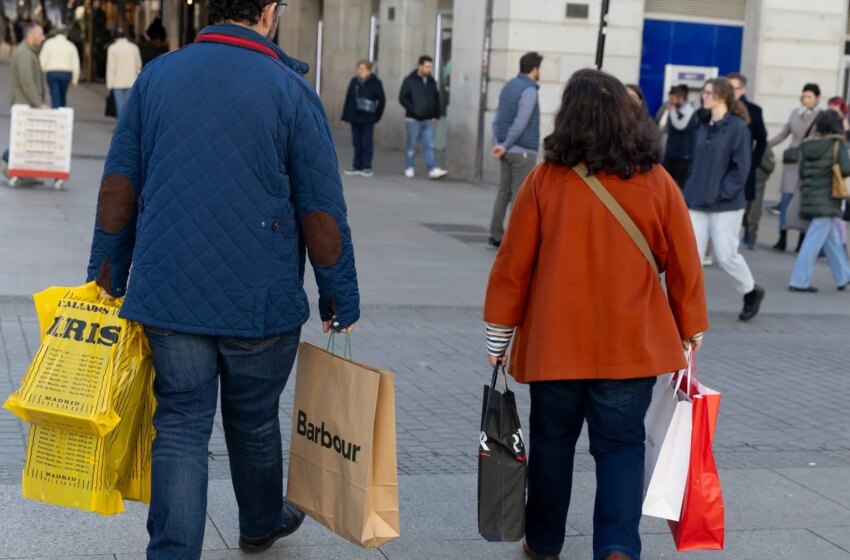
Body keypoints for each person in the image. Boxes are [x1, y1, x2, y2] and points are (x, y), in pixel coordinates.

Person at [85, 0, 360, 557]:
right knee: (255, 420)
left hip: (168, 291)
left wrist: (107, 274)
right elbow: (321, 209)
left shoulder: (157, 76)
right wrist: (338, 292)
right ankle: (260, 523)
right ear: (267, 12)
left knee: (181, 423)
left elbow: (119, 186)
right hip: (258, 297)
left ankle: (172, 550)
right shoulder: (291, 91)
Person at [484, 69, 708, 560]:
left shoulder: (546, 180)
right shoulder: (658, 182)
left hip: (556, 346)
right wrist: (690, 328)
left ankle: (543, 541)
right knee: (621, 448)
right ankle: (616, 547)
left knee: (552, 445)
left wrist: (498, 335)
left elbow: (512, 265)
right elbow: (685, 262)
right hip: (631, 349)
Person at [684, 77, 766, 322]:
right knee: (691, 257)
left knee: (725, 254)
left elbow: (741, 169)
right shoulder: (701, 124)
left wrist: (721, 192)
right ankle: (688, 307)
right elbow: (694, 162)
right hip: (696, 200)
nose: (704, 96)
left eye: (708, 92)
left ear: (721, 96)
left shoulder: (738, 128)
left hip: (725, 204)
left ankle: (751, 290)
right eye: (704, 92)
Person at [788, 110, 850, 292]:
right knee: (813, 241)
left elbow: (802, 173)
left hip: (810, 195)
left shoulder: (808, 144)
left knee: (832, 240)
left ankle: (844, 276)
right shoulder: (837, 144)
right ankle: (798, 281)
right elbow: (846, 169)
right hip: (828, 197)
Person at [488, 51, 543, 248]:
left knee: (503, 191)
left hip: (505, 148)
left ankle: (495, 233)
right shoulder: (529, 90)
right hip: (522, 151)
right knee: (519, 195)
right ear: (534, 69)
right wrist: (506, 144)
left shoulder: (509, 86)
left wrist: (498, 143)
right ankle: (514, 239)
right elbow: (521, 122)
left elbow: (498, 118)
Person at [768, 83, 821, 252]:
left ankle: (801, 241)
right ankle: (782, 238)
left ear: (817, 98)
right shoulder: (794, 113)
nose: (806, 100)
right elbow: (783, 134)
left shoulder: (821, 116)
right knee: (786, 201)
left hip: (810, 164)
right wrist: (765, 144)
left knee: (804, 204)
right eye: (804, 96)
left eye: (809, 97)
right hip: (792, 164)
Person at [728, 72, 768, 249]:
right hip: (721, 165)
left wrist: (754, 160)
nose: (730, 92)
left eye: (734, 88)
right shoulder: (720, 108)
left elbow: (761, 139)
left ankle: (746, 235)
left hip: (743, 167)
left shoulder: (753, 110)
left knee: (743, 205)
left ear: (743, 89)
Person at [398, 55, 448, 179]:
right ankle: (409, 167)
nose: (429, 69)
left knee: (428, 144)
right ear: (419, 66)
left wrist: (437, 115)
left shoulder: (431, 82)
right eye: (426, 66)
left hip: (428, 120)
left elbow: (436, 98)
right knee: (411, 144)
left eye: (430, 67)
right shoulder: (410, 80)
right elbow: (403, 97)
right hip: (413, 120)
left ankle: (432, 168)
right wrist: (413, 110)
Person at [341, 59, 386, 178]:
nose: (360, 71)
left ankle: (367, 166)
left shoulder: (376, 82)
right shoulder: (354, 81)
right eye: (359, 68)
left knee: (367, 142)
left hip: (368, 117)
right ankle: (356, 165)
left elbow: (382, 100)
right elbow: (348, 99)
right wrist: (345, 117)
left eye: (363, 69)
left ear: (369, 70)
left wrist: (377, 116)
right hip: (355, 116)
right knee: (356, 141)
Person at [658, 84, 698, 188]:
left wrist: (672, 112)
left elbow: (681, 125)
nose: (670, 101)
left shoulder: (689, 110)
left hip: (683, 157)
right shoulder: (670, 108)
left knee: (681, 185)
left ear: (680, 98)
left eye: (672, 98)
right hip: (670, 154)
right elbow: (660, 124)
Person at [39, 27, 81, 108]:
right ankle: (62, 109)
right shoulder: (71, 45)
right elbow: (76, 63)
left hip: (52, 72)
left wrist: (41, 70)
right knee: (62, 94)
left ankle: (56, 110)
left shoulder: (48, 43)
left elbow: (42, 59)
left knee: (55, 94)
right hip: (66, 73)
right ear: (66, 34)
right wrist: (75, 79)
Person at [106, 30, 142, 118]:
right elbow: (138, 64)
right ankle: (129, 126)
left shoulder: (112, 48)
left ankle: (120, 126)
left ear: (115, 37)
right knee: (129, 105)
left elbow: (111, 67)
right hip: (131, 80)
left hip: (117, 80)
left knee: (119, 104)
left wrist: (109, 84)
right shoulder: (134, 47)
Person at [10, 22, 46, 108]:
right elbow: (27, 82)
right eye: (40, 35)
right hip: (25, 107)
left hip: (27, 105)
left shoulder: (30, 52)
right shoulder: (24, 54)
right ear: (30, 36)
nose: (43, 38)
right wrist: (39, 103)